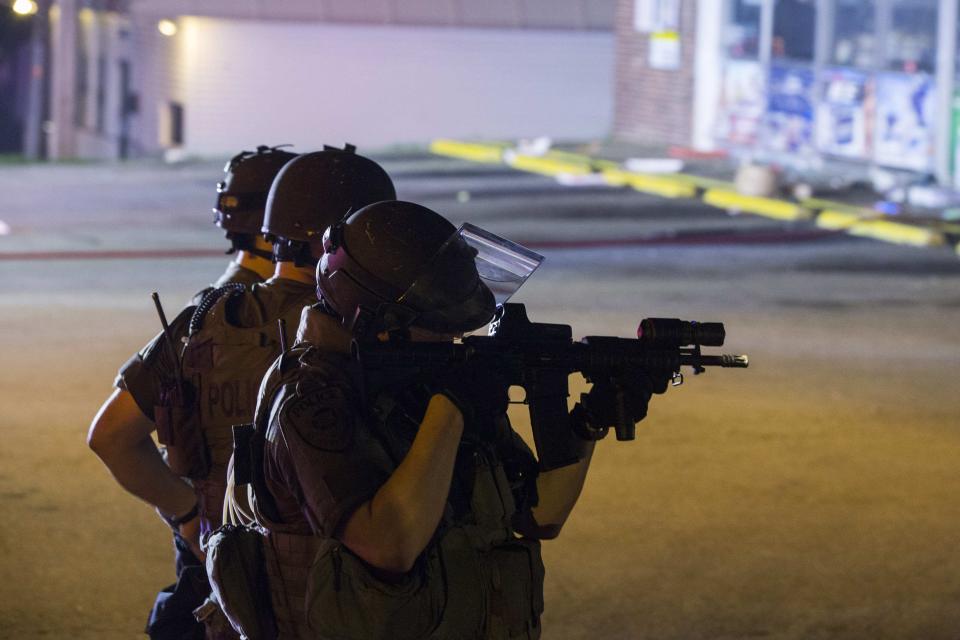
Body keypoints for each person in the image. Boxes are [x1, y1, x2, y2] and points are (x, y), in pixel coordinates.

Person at [238, 200, 667, 639]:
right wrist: (452, 405)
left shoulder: (431, 379)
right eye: (439, 325)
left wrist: (589, 422)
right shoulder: (309, 398)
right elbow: (387, 545)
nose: (454, 337)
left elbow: (539, 516)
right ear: (381, 323)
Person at [87, 147, 396, 640]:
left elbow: (110, 435)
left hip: (229, 584)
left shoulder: (206, 318)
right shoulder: (372, 336)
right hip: (345, 594)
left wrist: (190, 514)